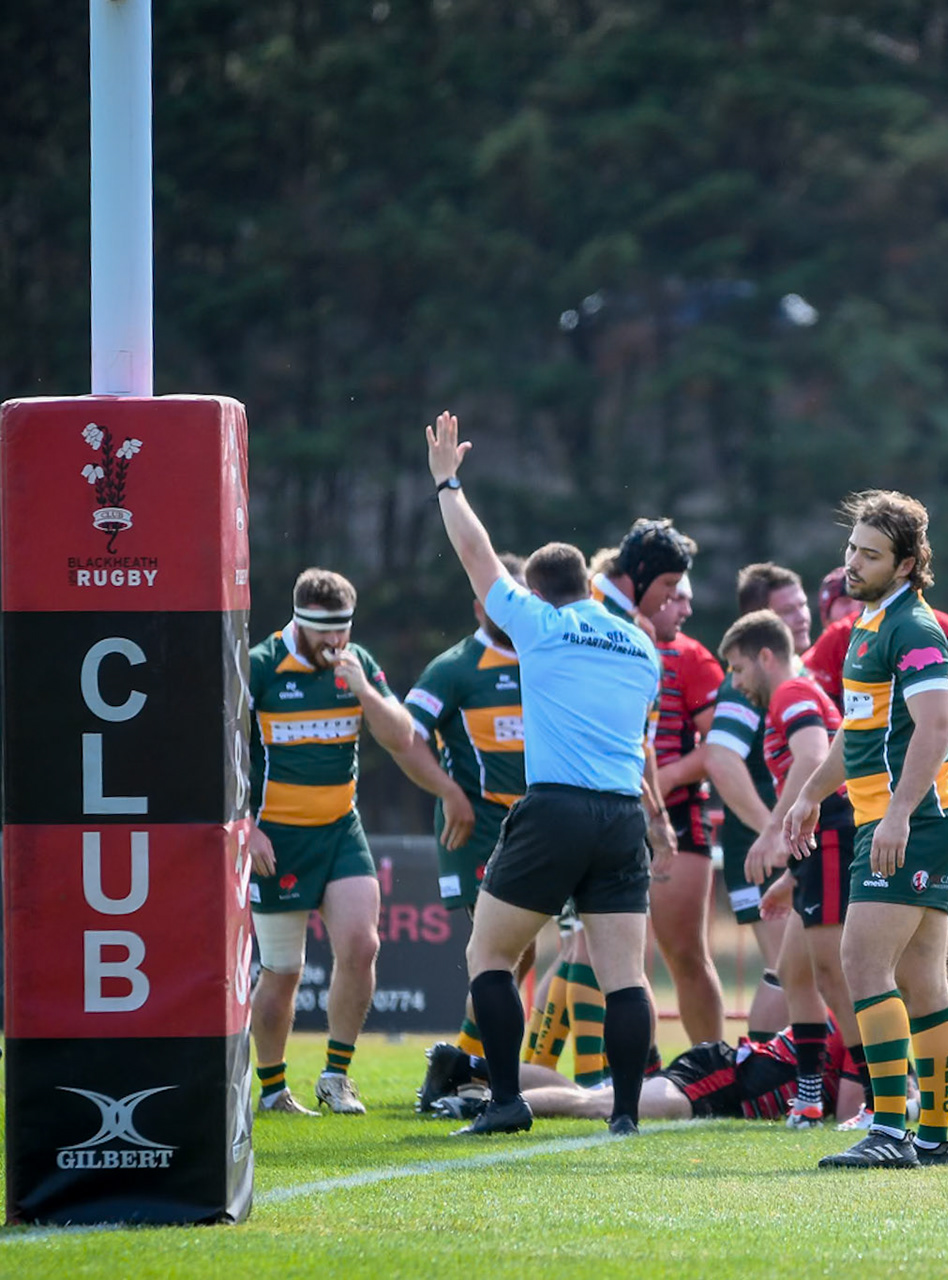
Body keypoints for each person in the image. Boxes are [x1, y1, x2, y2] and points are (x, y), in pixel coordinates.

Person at [424, 411, 674, 1137]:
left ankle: (505, 1102)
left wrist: (448, 479)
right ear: (591, 586)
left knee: (488, 951)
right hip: (622, 814)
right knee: (625, 974)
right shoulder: (641, 646)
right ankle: (624, 1114)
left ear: (535, 589)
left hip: (556, 807)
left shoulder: (536, 623)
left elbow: (475, 553)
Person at [782, 491, 948, 1168]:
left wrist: (895, 813)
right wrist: (808, 796)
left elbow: (939, 726)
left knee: (862, 962)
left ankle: (890, 1132)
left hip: (911, 819)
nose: (853, 562)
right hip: (906, 817)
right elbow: (855, 730)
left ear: (909, 562)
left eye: (870, 553)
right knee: (921, 978)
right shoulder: (869, 623)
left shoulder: (913, 629)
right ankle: (933, 1135)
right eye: (852, 548)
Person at [246, 567, 433, 1116]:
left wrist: (364, 690)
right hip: (276, 836)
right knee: (283, 970)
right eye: (325, 631)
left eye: (343, 630)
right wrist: (245, 826)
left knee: (363, 945)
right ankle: (275, 1088)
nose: (336, 642)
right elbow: (220, 753)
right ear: (299, 621)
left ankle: (336, 1075)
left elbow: (402, 736)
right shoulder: (260, 666)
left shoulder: (358, 664)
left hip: (340, 828)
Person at [403, 552, 537, 1109]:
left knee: (517, 954)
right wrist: (449, 793)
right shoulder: (455, 667)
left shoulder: (542, 656)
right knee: (497, 951)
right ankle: (477, 1072)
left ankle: (458, 1062)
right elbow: (406, 737)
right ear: (477, 602)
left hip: (539, 829)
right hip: (477, 831)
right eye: (490, 595)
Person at [721, 609, 861, 1128]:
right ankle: (807, 1094)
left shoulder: (790, 692)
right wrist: (791, 875)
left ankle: (882, 1092)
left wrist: (774, 833)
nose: (736, 683)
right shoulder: (797, 692)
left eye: (737, 669)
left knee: (832, 973)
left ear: (765, 656)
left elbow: (812, 758)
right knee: (796, 971)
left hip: (834, 831)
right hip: (821, 840)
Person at [706, 562, 814, 1042]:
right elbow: (720, 758)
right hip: (764, 854)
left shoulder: (799, 678)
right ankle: (764, 1077)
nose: (802, 616)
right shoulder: (744, 685)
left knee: (808, 973)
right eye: (786, 610)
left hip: (793, 847)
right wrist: (772, 830)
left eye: (802, 604)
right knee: (794, 975)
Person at [640, 570, 731, 1046]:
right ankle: (628, 1069)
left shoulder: (692, 656)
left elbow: (720, 744)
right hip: (609, 814)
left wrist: (662, 780)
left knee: (685, 953)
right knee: (601, 959)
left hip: (675, 815)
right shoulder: (606, 640)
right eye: (676, 598)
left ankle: (710, 1063)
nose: (686, 609)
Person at [506, 1022, 862, 1124]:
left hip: (719, 1071)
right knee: (599, 1105)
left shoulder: (845, 1008)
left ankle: (475, 1070)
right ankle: (491, 1107)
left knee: (597, 1096)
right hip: (717, 1081)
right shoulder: (858, 1025)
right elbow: (850, 1112)